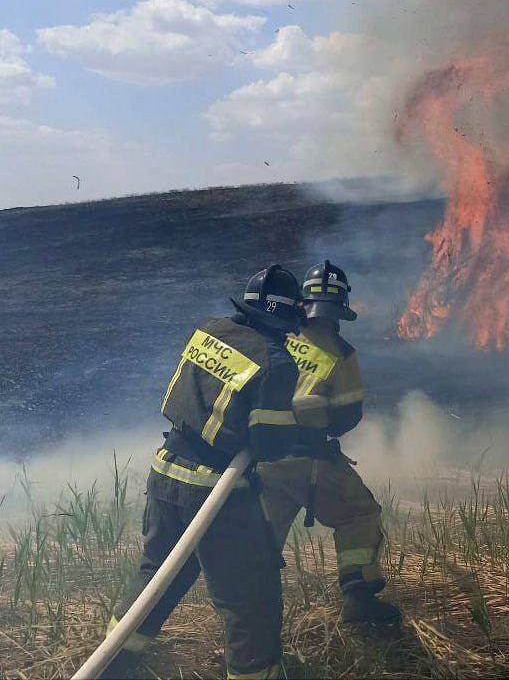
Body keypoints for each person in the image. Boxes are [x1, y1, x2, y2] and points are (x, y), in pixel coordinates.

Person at [105, 265, 302, 679]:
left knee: (157, 577)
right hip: (215, 493)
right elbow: (270, 444)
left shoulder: (210, 330)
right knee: (250, 594)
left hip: (165, 471)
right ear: (284, 319)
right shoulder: (276, 361)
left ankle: (114, 663)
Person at [258, 261, 401, 625]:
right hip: (311, 461)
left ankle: (253, 609)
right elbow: (347, 416)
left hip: (260, 459)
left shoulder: (276, 335)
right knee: (359, 514)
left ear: (303, 303)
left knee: (261, 534)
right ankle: (358, 598)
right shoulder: (341, 353)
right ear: (339, 311)